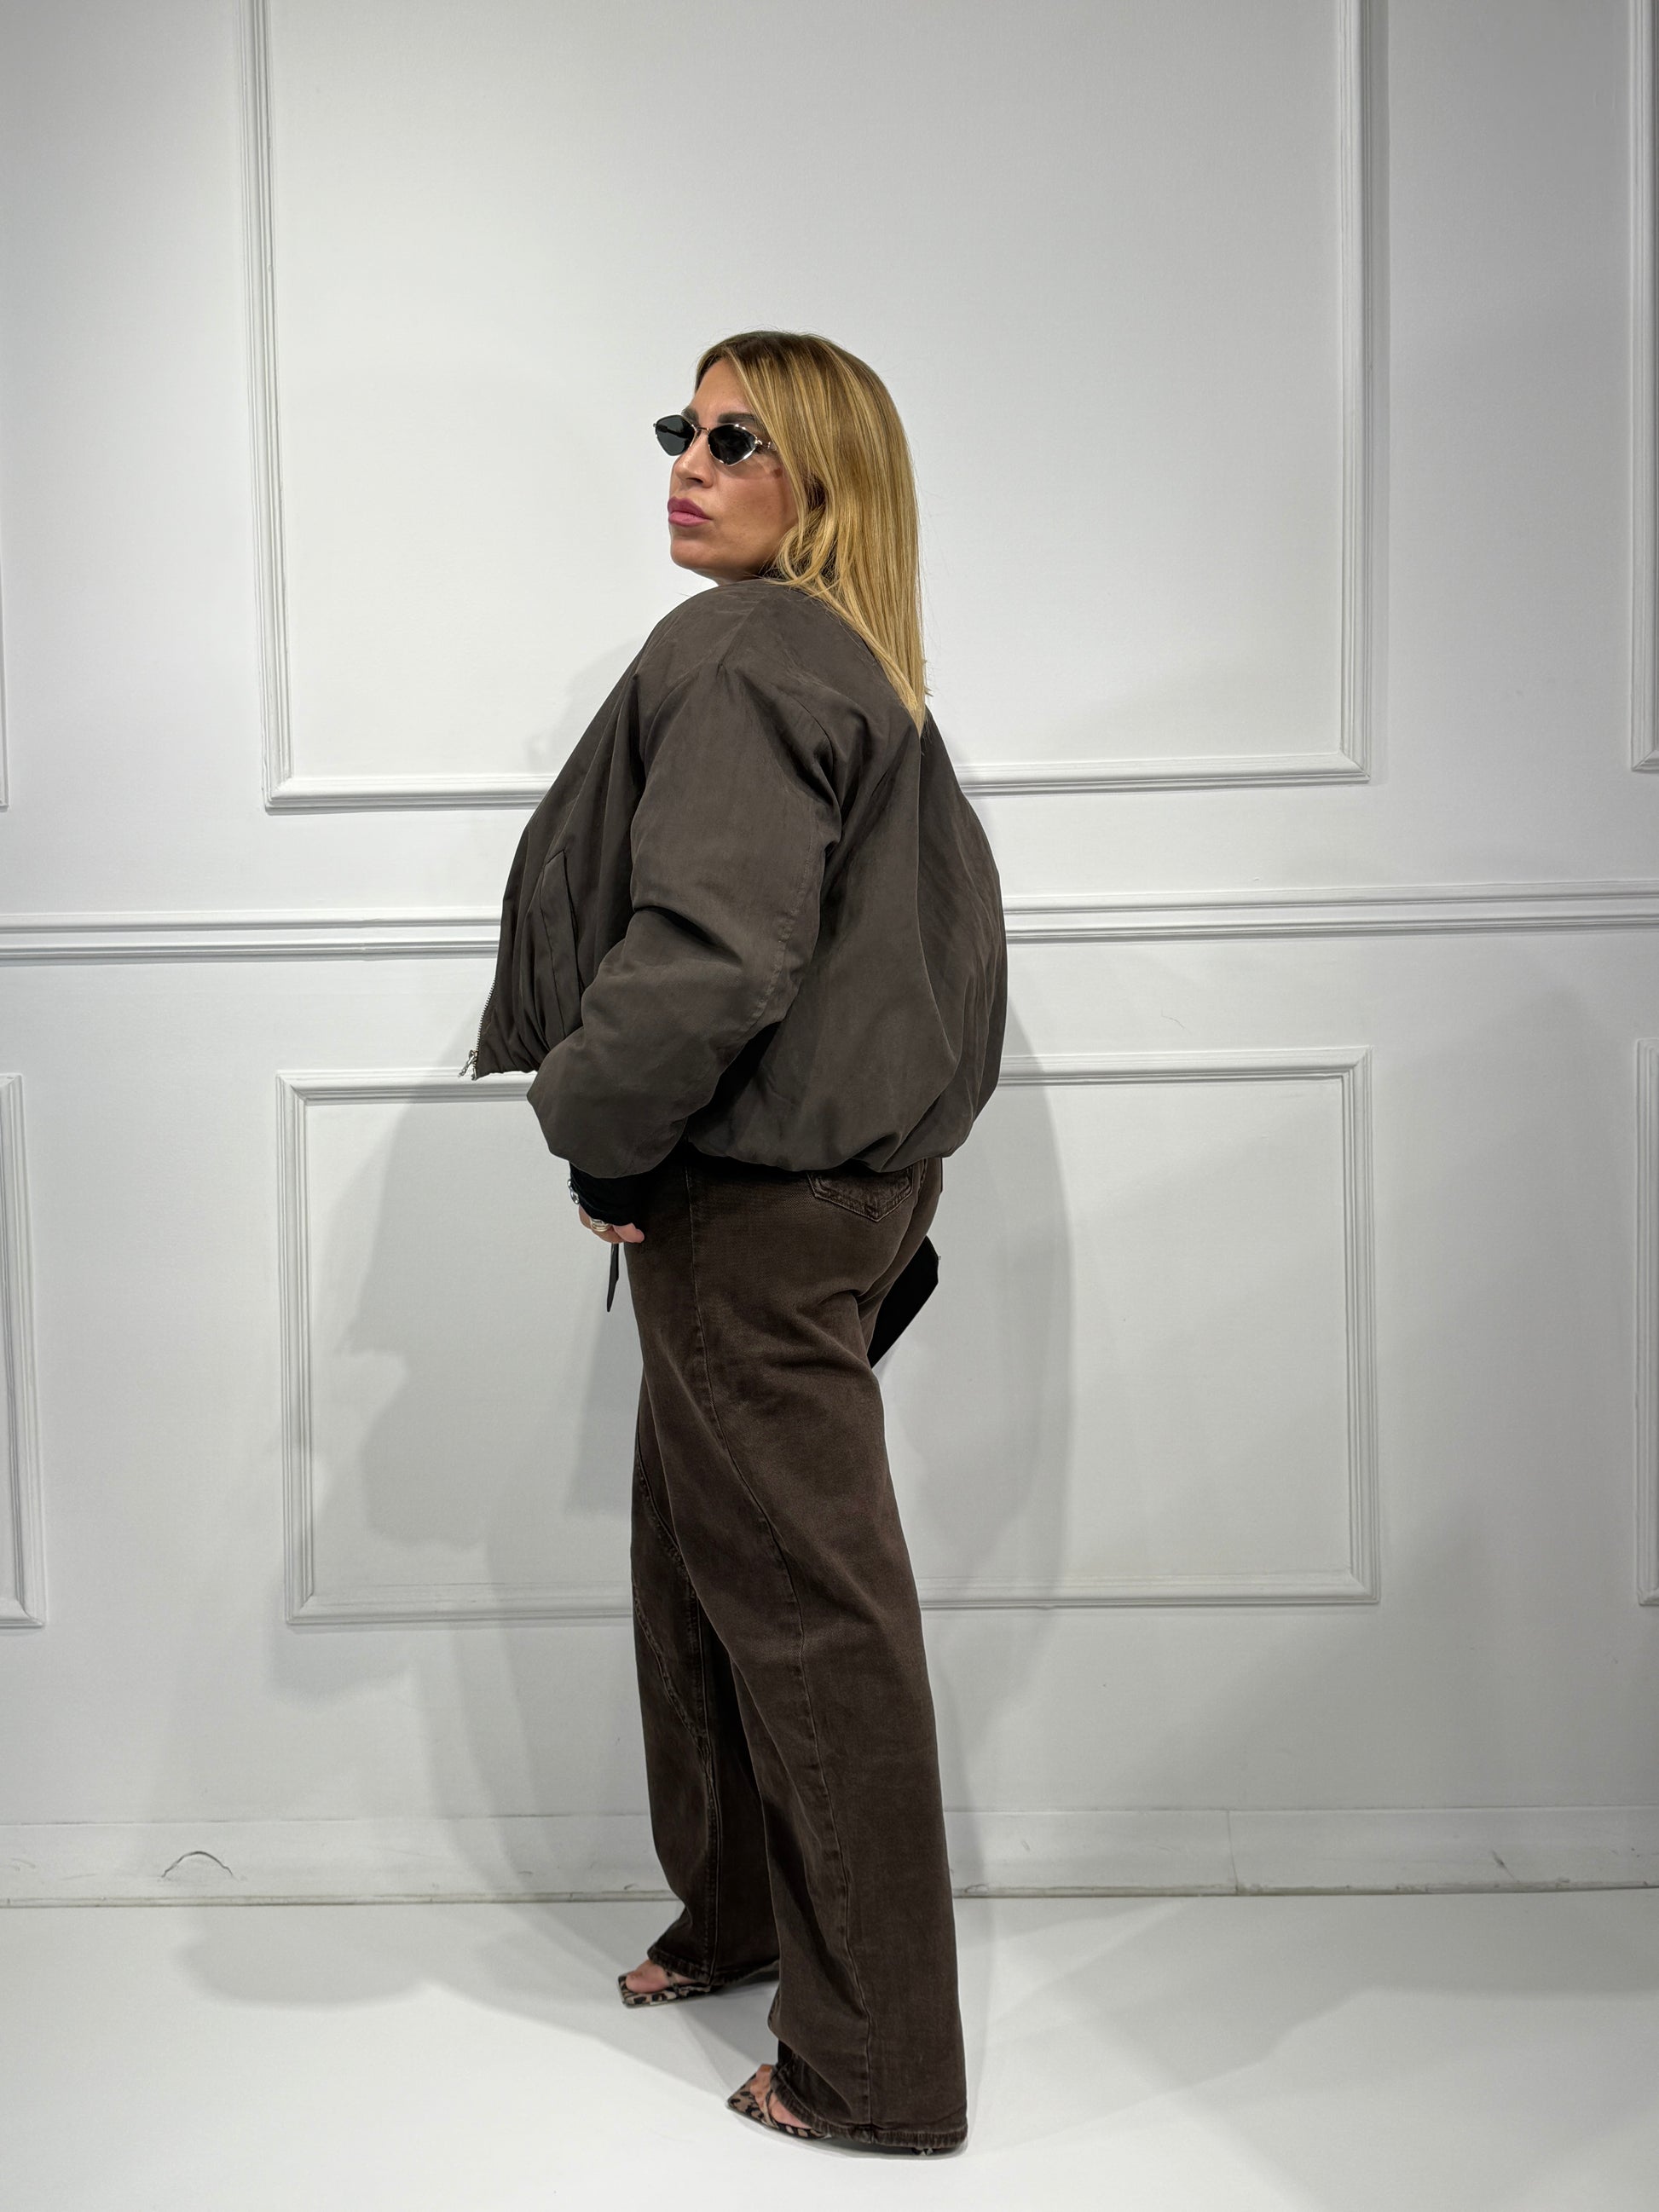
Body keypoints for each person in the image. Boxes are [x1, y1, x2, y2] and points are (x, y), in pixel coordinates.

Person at [464, 330, 1007, 2154]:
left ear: (823, 478)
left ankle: (874, 2073)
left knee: (801, 1610)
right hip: (828, 1193)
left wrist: (593, 1127)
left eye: (736, 438)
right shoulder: (850, 660)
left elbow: (706, 956)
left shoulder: (753, 648)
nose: (687, 466)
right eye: (681, 431)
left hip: (753, 1202)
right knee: (702, 1567)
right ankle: (738, 1915)